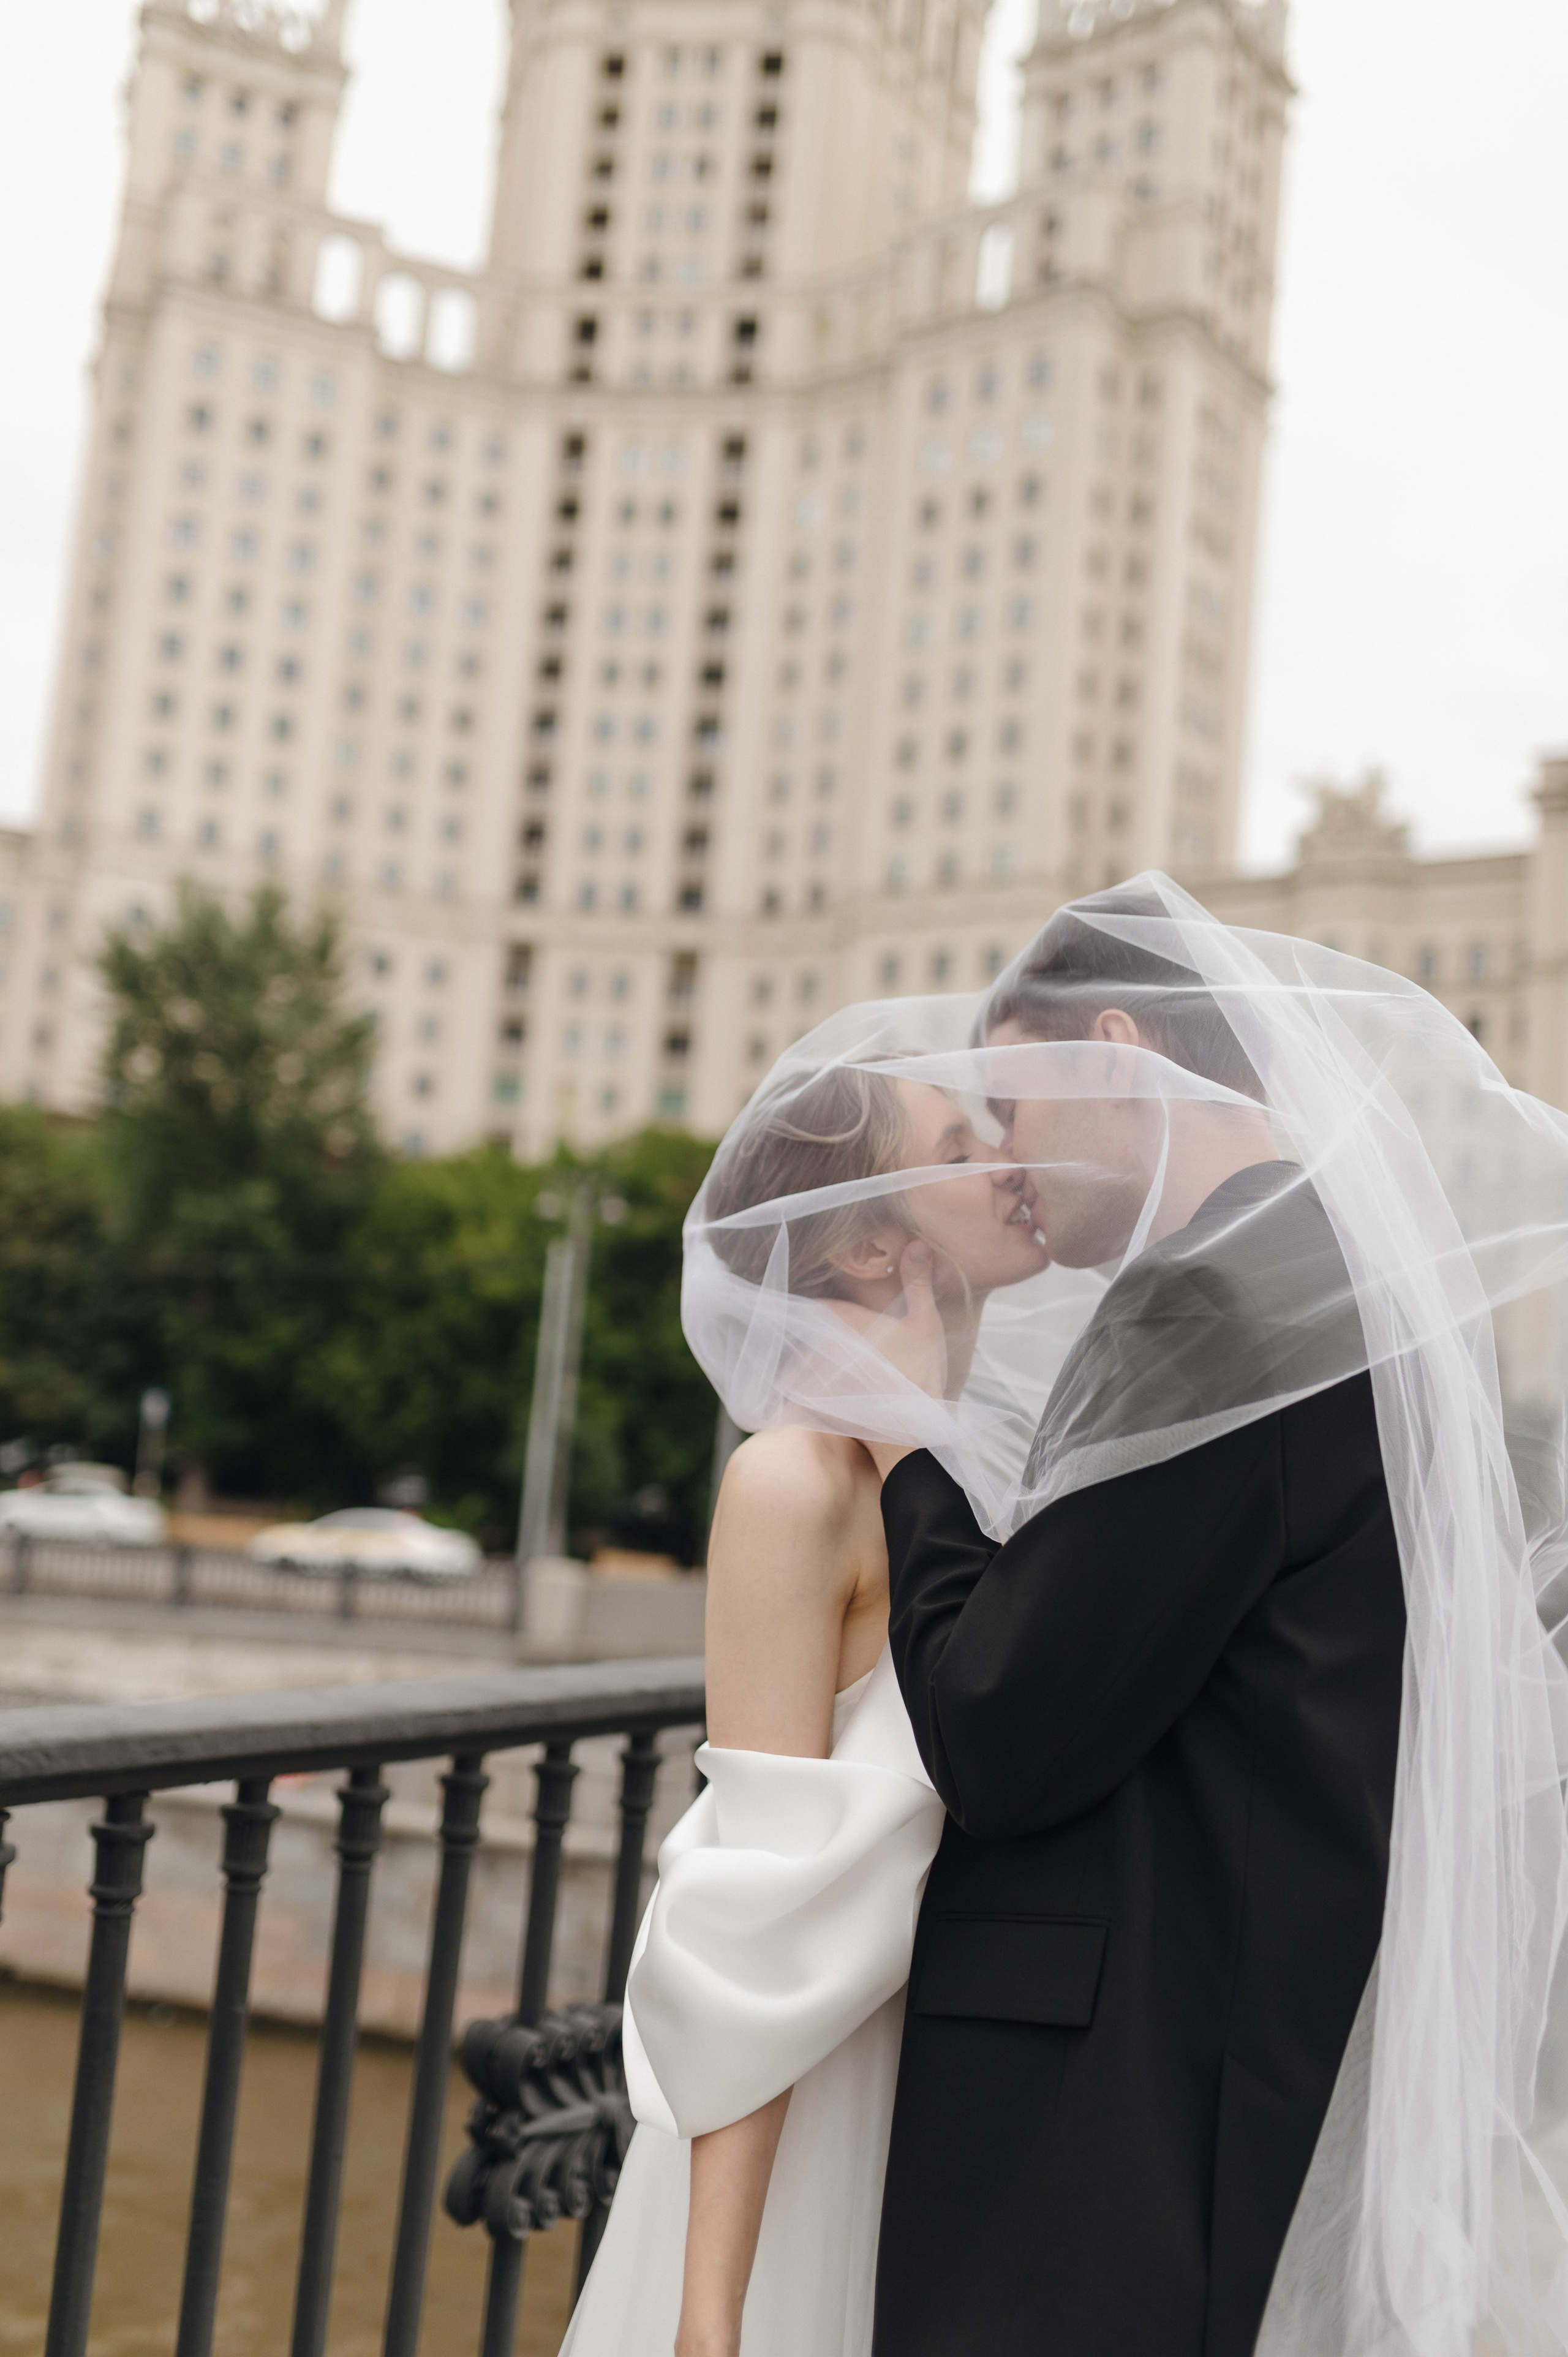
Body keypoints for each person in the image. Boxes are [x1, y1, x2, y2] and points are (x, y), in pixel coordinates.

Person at [848, 877, 1568, 2357]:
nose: (1004, 1164)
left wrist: (905, 1440)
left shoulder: (1212, 1302)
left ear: (1115, 1051)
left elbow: (999, 1730)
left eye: (1008, 1106)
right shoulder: (1354, 1270)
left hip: (1117, 2103)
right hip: (1255, 2043)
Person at [560, 1056, 1050, 2357]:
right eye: (957, 1144)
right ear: (876, 1243)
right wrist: (713, 2313)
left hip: (965, 2110)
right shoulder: (794, 1482)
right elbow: (755, 1910)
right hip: (824, 2120)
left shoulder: (982, 1477)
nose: (1009, 1158)